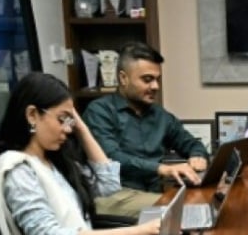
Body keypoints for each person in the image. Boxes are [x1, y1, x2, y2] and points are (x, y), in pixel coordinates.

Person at [0, 72, 160, 235]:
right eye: (62, 119)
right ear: (32, 115)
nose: (68, 128)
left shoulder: (54, 161)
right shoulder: (17, 169)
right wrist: (134, 232)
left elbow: (108, 185)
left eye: (71, 121)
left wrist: (82, 129)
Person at [82, 42, 210, 219]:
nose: (156, 86)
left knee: (204, 204)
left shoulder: (159, 115)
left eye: (157, 79)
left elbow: (191, 143)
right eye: (147, 80)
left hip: (153, 194)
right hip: (116, 195)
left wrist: (198, 156)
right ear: (123, 78)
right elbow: (111, 158)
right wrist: (161, 169)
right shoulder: (100, 111)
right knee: (182, 212)